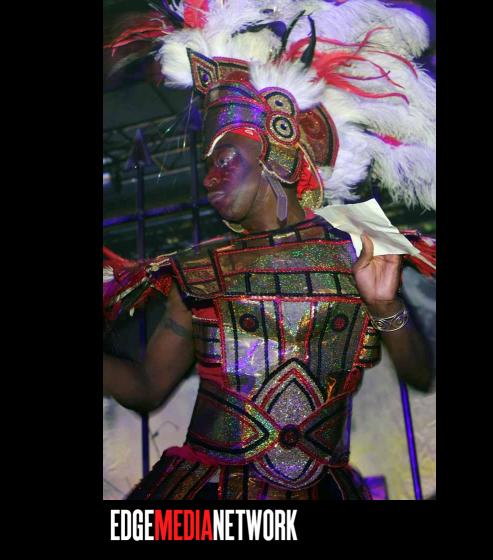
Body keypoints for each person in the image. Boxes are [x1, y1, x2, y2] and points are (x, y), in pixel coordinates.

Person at [103, 0, 436, 500]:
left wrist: (385, 306)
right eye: (207, 164)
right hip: (210, 501)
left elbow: (421, 375)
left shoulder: (362, 246)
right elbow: (147, 387)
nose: (210, 177)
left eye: (225, 158)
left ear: (276, 154)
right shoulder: (199, 269)